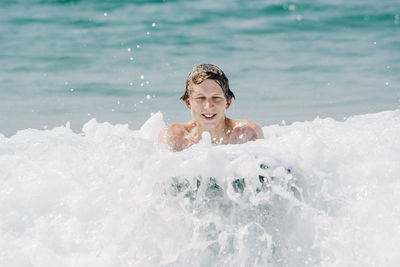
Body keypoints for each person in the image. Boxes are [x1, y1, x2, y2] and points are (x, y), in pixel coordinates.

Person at [158, 64, 264, 151]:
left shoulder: (247, 134)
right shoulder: (174, 137)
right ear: (188, 103)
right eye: (200, 98)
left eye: (216, 97)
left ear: (227, 102)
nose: (208, 106)